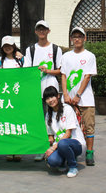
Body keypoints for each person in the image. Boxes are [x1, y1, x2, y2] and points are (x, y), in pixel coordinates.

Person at [24, 20, 63, 161]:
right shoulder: (30, 50)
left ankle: (55, 146)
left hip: (51, 89)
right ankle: (41, 148)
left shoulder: (56, 49)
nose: (42, 31)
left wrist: (47, 71)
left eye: (44, 29)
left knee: (53, 117)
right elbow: (27, 70)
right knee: (40, 119)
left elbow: (60, 70)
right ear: (35, 31)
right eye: (39, 29)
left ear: (48, 31)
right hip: (36, 89)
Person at [60, 27, 97, 166]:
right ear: (71, 39)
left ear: (84, 38)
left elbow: (87, 77)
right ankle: (71, 152)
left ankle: (89, 152)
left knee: (88, 126)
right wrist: (65, 94)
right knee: (70, 126)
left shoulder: (89, 56)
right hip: (69, 100)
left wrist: (78, 95)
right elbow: (63, 76)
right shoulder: (66, 56)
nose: (77, 39)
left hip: (85, 99)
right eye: (74, 37)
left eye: (80, 36)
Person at [43, 86, 85, 178]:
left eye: (52, 96)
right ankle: (63, 161)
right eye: (47, 98)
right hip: (59, 146)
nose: (50, 100)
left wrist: (53, 148)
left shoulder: (67, 109)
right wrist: (47, 144)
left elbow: (68, 134)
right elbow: (50, 136)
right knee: (52, 161)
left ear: (58, 96)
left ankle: (73, 166)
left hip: (76, 144)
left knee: (62, 143)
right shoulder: (48, 115)